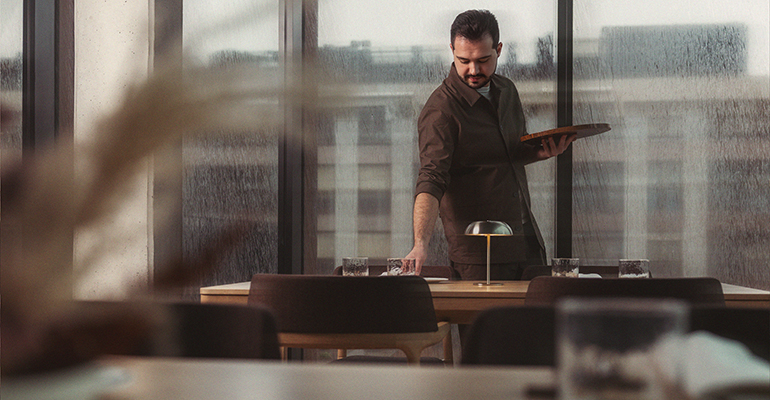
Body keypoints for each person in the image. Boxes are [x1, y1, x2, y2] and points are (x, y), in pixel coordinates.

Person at [405, 9, 575, 280]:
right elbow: (431, 178)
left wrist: (540, 152)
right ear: (451, 50)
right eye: (464, 60)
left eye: (483, 60)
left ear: (498, 49)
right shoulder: (440, 110)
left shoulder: (507, 90)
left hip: (526, 241)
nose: (473, 70)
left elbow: (507, 152)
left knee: (534, 322)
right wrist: (420, 245)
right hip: (480, 255)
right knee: (488, 324)